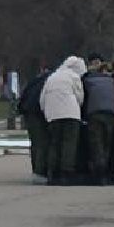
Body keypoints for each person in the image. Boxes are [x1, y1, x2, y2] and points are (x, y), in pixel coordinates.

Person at [40, 55, 86, 185]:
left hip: (53, 116)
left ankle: (52, 173)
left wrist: (47, 113)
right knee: (69, 144)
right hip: (71, 114)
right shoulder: (74, 77)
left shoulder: (52, 77)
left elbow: (42, 99)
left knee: (54, 144)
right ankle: (66, 173)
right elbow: (79, 97)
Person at [80, 58, 114, 185]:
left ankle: (99, 173)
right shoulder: (111, 80)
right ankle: (106, 171)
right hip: (111, 113)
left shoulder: (88, 80)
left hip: (95, 113)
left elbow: (83, 98)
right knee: (107, 142)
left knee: (97, 143)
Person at [16, 64, 52, 183]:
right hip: (37, 111)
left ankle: (36, 170)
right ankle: (40, 172)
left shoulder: (37, 80)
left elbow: (25, 94)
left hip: (29, 111)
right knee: (41, 142)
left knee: (36, 142)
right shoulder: (51, 80)